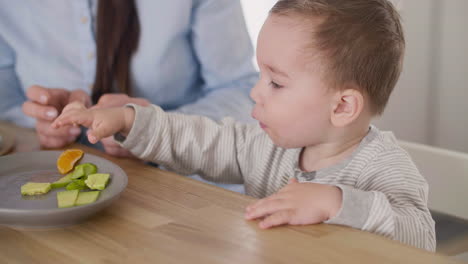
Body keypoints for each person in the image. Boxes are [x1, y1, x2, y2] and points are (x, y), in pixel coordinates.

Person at [51, 0, 436, 251]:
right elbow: (197, 140)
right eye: (261, 76)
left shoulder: (384, 167)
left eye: (276, 82)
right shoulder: (264, 145)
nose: (255, 93)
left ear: (343, 106)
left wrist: (336, 202)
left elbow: (421, 234)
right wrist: (129, 120)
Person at [0, 0, 257, 151]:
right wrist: (43, 119)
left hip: (176, 184)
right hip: (46, 168)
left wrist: (155, 130)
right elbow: (5, 93)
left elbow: (238, 88)